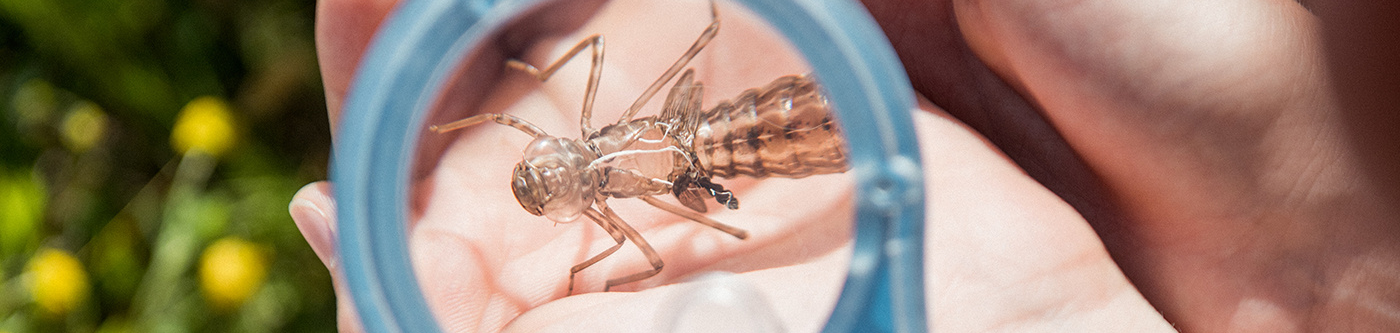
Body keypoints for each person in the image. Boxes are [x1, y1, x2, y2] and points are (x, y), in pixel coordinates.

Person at [290, 0, 1400, 331]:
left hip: (711, 139)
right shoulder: (576, 167)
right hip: (710, 146)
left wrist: (1311, 239)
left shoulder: (572, 164)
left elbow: (650, 211)